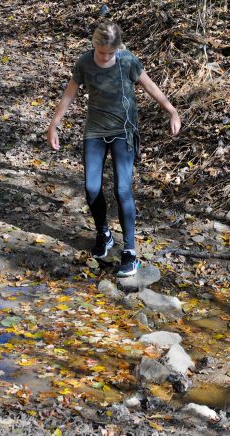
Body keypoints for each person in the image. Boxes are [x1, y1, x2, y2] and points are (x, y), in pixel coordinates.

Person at [47, 21, 181, 277]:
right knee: (91, 187)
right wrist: (54, 125)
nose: (105, 56)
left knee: (122, 189)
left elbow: (150, 86)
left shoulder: (128, 61)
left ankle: (130, 251)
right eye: (101, 52)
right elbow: (69, 94)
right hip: (95, 132)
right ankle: (103, 233)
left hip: (123, 132)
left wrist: (172, 111)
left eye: (110, 53)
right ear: (93, 46)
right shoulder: (84, 63)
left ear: (117, 48)